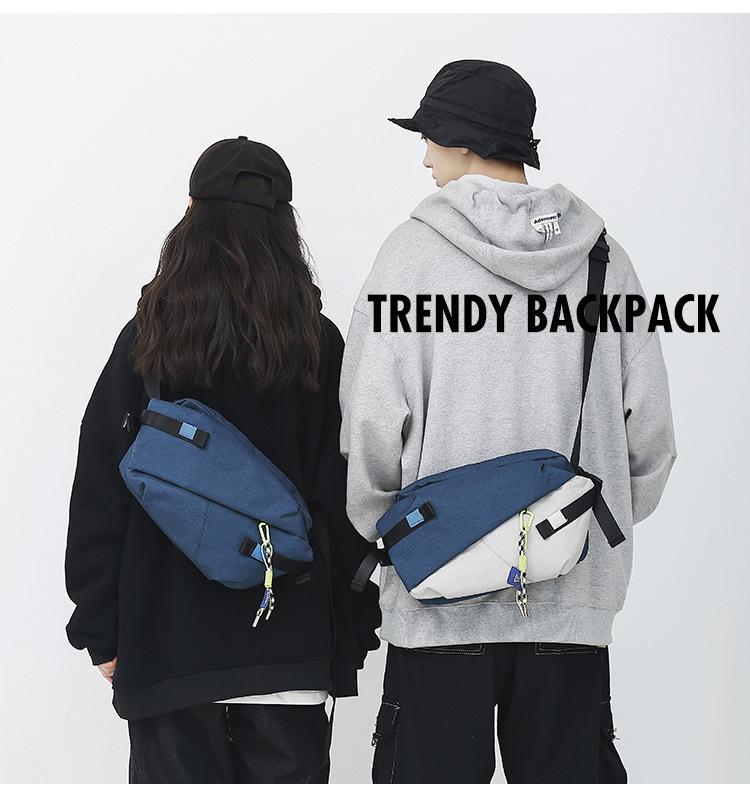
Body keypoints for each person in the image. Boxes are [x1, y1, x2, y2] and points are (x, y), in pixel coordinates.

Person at [340, 61, 677, 783]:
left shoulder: (410, 259)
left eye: (429, 137)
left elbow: (368, 427)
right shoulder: (603, 262)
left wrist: (393, 535)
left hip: (434, 602)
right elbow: (650, 436)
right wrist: (580, 530)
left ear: (462, 140)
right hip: (570, 605)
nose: (424, 157)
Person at [65, 136, 381, 784]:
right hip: (288, 653)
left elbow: (100, 492)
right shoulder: (318, 344)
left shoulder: (148, 342)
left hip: (167, 656)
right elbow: (349, 499)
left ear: (190, 213)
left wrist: (103, 631)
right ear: (286, 226)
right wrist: (349, 628)